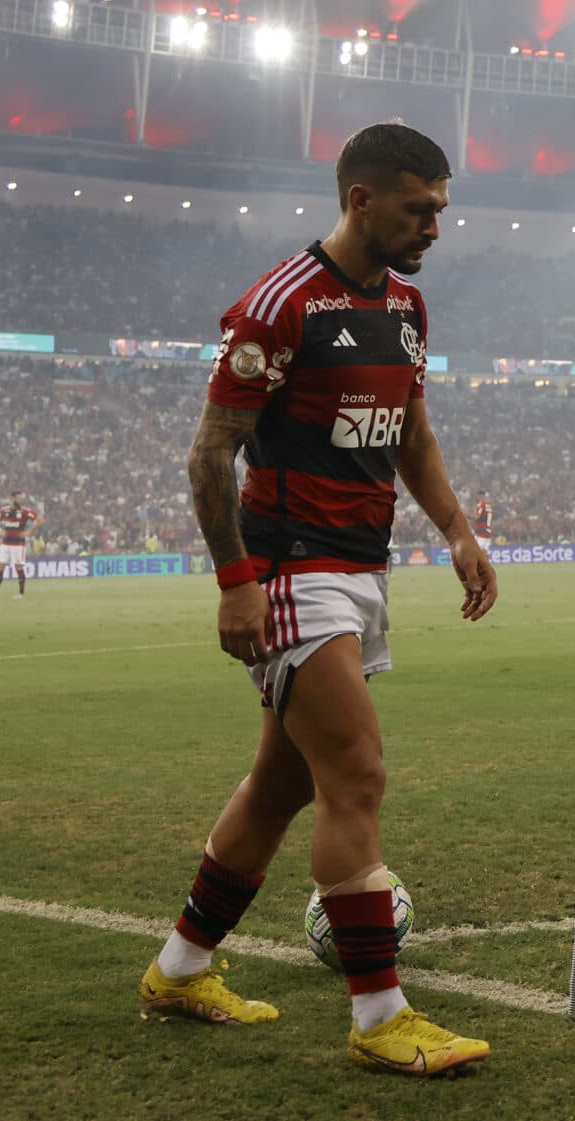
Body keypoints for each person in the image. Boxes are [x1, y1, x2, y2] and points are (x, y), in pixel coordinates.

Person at [137, 122, 499, 1078]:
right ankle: (381, 1015)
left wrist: (458, 529)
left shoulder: (411, 307)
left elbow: (411, 428)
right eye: (419, 209)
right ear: (360, 200)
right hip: (292, 569)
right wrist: (235, 583)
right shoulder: (280, 306)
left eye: (442, 209)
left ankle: (179, 969)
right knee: (358, 773)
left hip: (361, 567)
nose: (434, 226)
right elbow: (211, 450)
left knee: (281, 784)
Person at [0, 490, 39, 599]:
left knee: (18, 567)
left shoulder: (25, 511)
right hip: (5, 543)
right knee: (0, 567)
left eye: (21, 498)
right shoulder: (4, 510)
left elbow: (40, 520)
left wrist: (29, 532)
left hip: (18, 544)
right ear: (12, 498)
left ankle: (21, 593)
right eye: (18, 498)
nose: (21, 500)